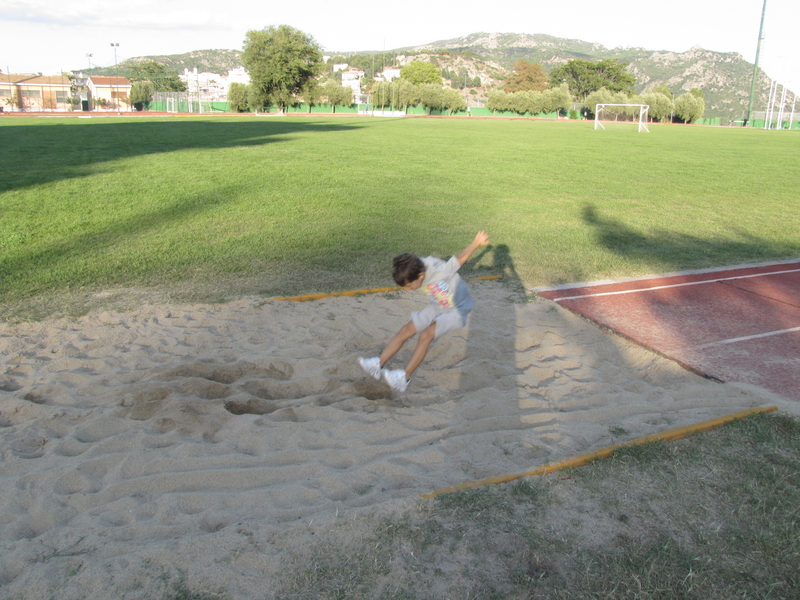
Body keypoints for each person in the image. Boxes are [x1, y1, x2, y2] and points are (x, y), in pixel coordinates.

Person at [358, 231, 491, 392]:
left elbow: (460, 259)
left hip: (456, 309)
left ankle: (404, 378)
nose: (406, 289)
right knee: (406, 329)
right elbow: (407, 262)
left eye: (408, 285)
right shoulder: (414, 266)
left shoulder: (438, 270)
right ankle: (377, 364)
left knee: (426, 335)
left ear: (420, 275)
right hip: (438, 305)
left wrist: (476, 242)